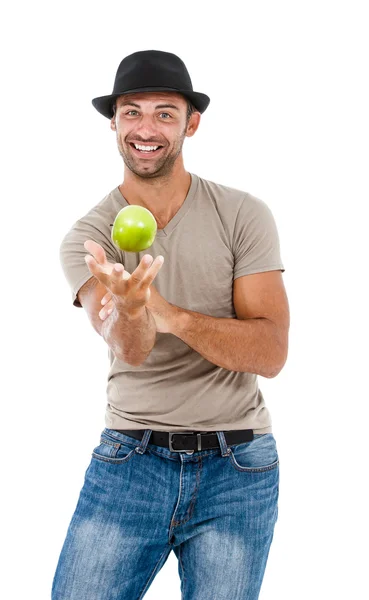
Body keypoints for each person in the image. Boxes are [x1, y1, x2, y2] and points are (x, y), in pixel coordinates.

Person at [52, 50, 290, 600]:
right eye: (132, 112)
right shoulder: (90, 238)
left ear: (191, 123)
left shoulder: (242, 215)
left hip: (240, 468)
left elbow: (271, 352)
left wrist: (171, 315)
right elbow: (127, 348)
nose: (146, 129)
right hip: (130, 460)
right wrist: (133, 312)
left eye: (165, 113)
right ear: (113, 123)